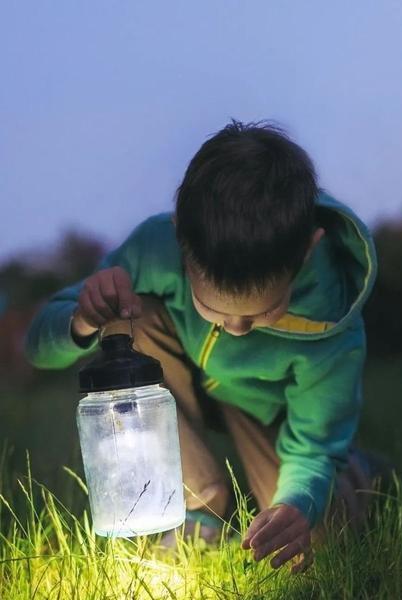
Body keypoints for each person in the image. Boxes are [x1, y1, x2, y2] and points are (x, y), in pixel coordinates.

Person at [25, 119, 381, 574]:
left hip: (271, 414)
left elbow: (311, 447)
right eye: (212, 307)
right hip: (176, 379)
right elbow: (38, 348)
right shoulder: (154, 249)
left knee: (311, 541)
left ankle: (359, 470)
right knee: (126, 312)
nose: (237, 329)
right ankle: (198, 509)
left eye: (261, 313)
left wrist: (298, 506)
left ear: (308, 250)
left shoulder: (331, 322)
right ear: (181, 241)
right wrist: (81, 320)